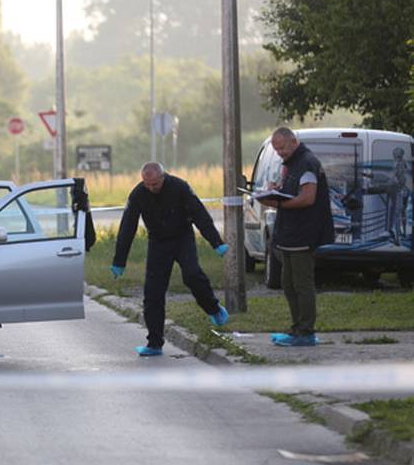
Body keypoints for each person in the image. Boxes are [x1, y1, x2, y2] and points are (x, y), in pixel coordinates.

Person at [110, 162, 229, 357]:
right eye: (147, 184)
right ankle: (154, 343)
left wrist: (216, 242)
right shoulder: (138, 194)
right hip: (158, 243)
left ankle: (213, 308)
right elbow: (127, 226)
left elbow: (200, 214)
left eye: (155, 184)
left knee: (192, 275)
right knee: (153, 292)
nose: (151, 188)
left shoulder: (180, 187)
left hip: (182, 238)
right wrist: (119, 260)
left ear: (163, 177)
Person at [257, 127, 334, 347]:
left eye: (282, 147)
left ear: (293, 142)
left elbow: (308, 198)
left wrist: (277, 203)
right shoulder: (291, 163)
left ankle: (305, 332)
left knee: (302, 284)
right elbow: (292, 190)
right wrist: (275, 189)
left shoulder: (307, 163)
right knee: (288, 284)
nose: (279, 152)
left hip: (303, 232)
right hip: (289, 233)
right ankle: (296, 328)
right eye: (276, 149)